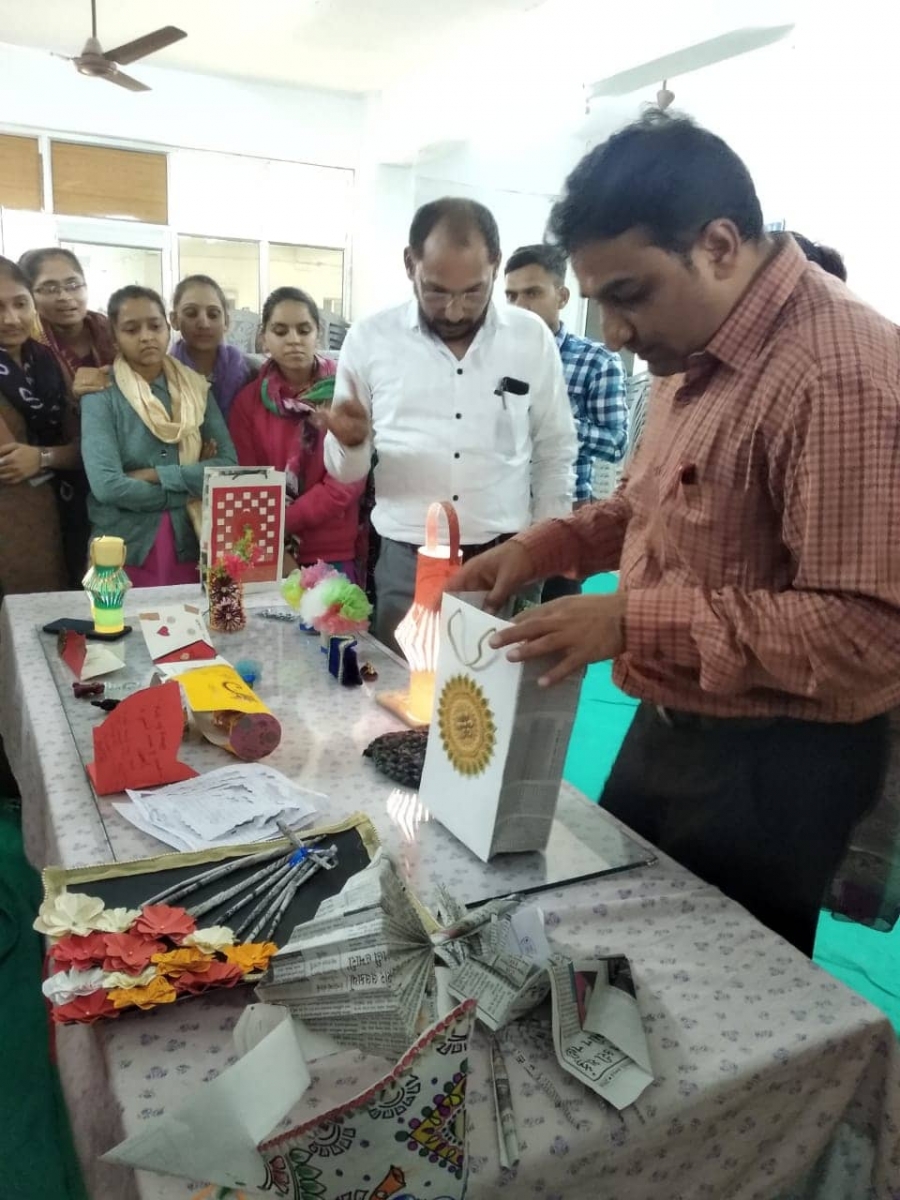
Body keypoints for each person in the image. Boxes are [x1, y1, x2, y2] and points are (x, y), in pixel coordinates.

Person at [449, 112, 900, 958]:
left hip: (776, 765)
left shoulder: (838, 373)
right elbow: (644, 508)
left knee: (721, 998)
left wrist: (630, 620)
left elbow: (867, 634)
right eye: (600, 303)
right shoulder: (693, 350)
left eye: (630, 295)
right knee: (613, 955)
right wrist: (540, 548)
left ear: (719, 246)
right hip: (672, 721)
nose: (615, 333)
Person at [319, 197, 577, 647]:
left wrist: (544, 546)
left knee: (492, 683)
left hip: (504, 557)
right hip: (407, 560)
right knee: (401, 683)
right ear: (410, 264)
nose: (455, 311)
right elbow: (346, 472)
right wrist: (352, 443)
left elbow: (555, 448)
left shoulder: (530, 337)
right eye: (436, 291)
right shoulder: (370, 339)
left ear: (495, 265)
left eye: (473, 292)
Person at [80, 285, 237, 587]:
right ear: (114, 338)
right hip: (124, 543)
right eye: (131, 329)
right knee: (120, 616)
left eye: (154, 326)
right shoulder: (100, 393)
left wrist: (155, 474)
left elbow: (227, 466)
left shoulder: (196, 388)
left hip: (191, 539)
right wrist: (188, 490)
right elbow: (107, 486)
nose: (146, 336)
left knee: (192, 617)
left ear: (168, 328)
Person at [505, 242, 628, 600]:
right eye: (511, 296)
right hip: (500, 509)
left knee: (552, 616)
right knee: (493, 619)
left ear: (561, 296)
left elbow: (615, 443)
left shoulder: (596, 361)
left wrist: (553, 419)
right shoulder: (494, 358)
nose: (520, 305)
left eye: (532, 293)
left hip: (565, 513)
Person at [229, 287, 364, 580]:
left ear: (318, 334)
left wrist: (282, 521)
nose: (293, 340)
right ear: (264, 337)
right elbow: (248, 480)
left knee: (335, 612)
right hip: (269, 549)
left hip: (331, 547)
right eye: (280, 331)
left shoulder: (345, 392)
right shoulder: (248, 402)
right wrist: (273, 533)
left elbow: (348, 479)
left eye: (304, 330)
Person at [0, 257, 87, 596]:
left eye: (20, 304)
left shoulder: (47, 362)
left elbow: (85, 448)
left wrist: (42, 457)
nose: (11, 318)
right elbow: (9, 460)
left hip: (61, 513)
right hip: (12, 525)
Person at [18, 247, 115, 401]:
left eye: (73, 285)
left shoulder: (115, 333)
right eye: (50, 289)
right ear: (29, 296)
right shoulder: (24, 347)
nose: (65, 296)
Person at [170, 274, 256, 420]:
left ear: (226, 321)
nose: (204, 324)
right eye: (191, 313)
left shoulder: (251, 374)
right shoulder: (162, 377)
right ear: (174, 320)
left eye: (213, 314)